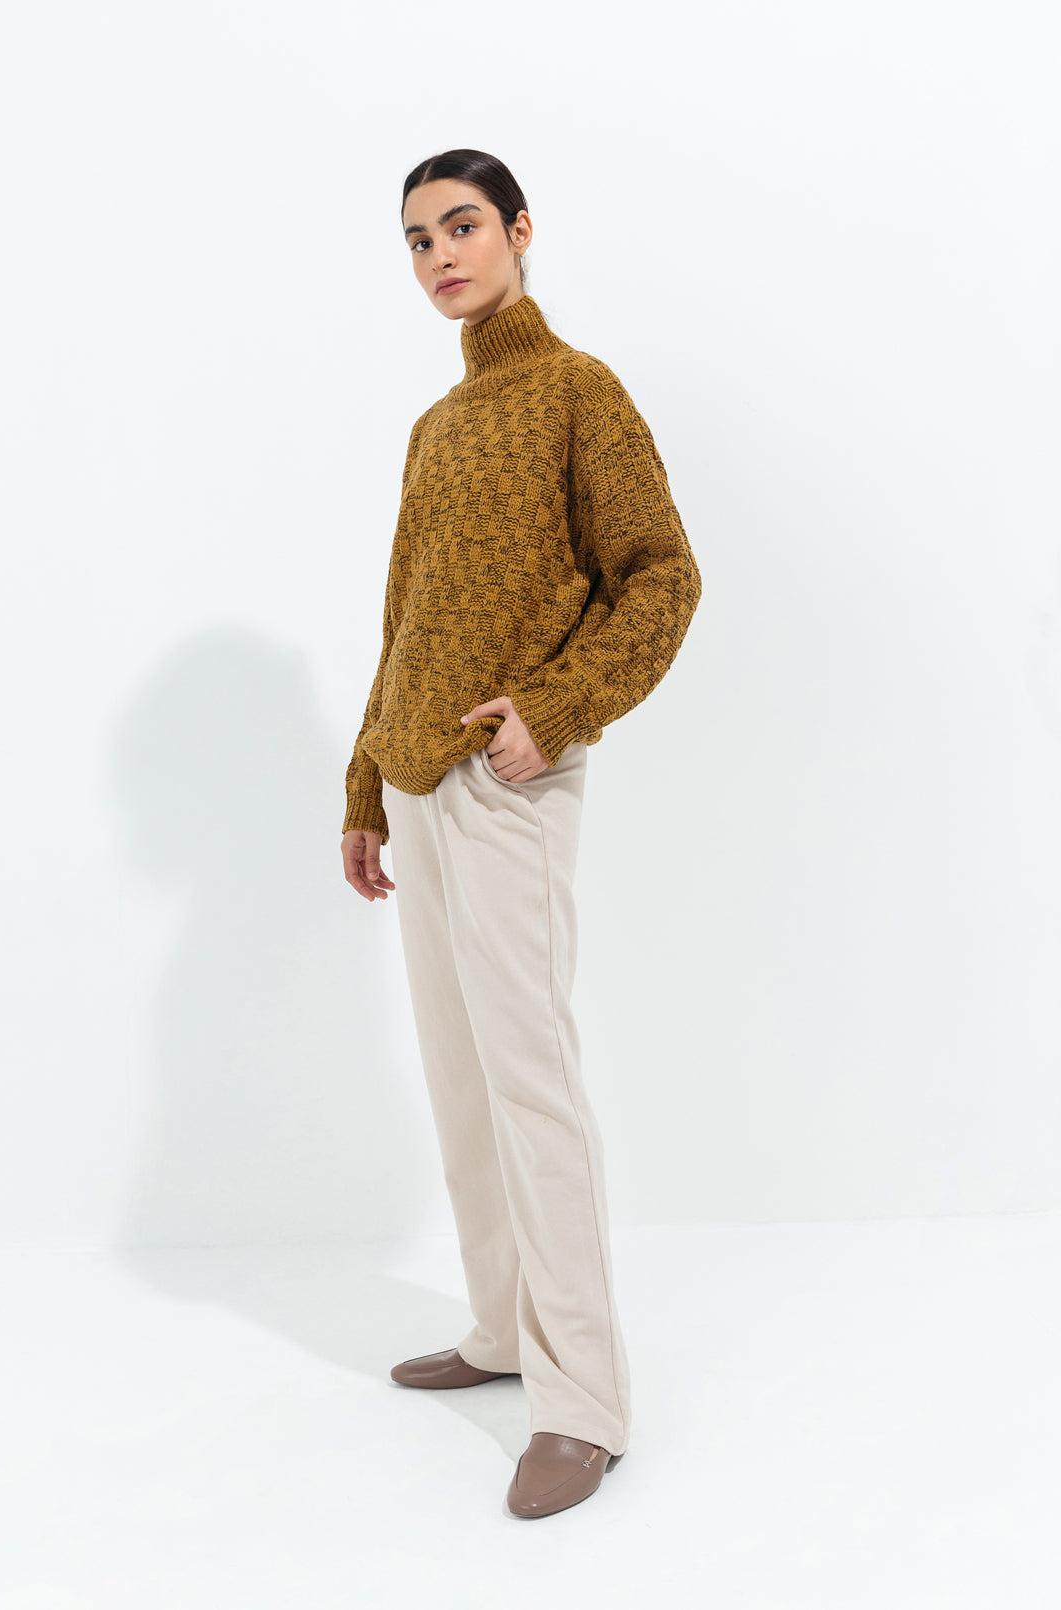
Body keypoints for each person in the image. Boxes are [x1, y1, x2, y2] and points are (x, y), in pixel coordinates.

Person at [340, 147, 702, 1519]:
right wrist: (364, 788)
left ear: (520, 230)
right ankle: (502, 1329)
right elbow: (404, 620)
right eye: (418, 237)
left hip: (507, 779)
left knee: (532, 1081)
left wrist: (554, 710)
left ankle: (584, 1402)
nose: (441, 254)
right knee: (461, 1078)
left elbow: (662, 578)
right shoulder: (436, 428)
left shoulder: (577, 391)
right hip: (418, 783)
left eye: (464, 226)